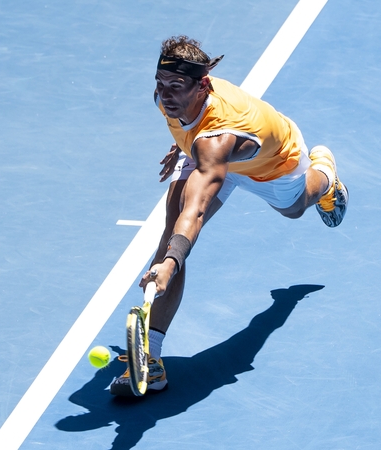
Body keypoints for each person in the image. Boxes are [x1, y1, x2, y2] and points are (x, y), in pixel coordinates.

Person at [109, 35, 348, 396]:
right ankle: (152, 362)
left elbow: (198, 208)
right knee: (172, 236)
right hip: (209, 158)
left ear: (202, 85)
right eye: (161, 84)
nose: (166, 94)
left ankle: (326, 177)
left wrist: (169, 266)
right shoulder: (167, 99)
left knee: (294, 209)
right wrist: (182, 141)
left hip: (273, 164)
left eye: (176, 86)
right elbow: (190, 132)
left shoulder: (217, 137)